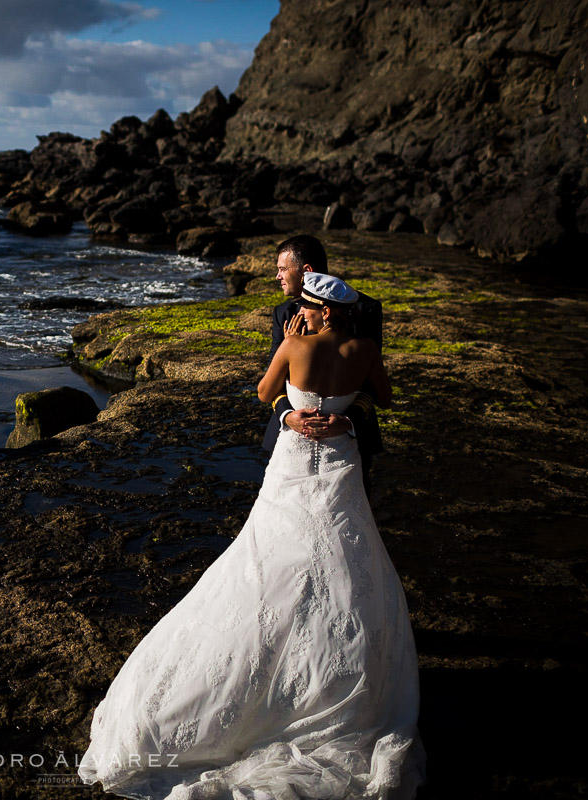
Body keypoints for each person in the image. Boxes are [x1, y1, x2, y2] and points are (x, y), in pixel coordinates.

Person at [78, 273, 423, 800]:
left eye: (305, 306)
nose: (297, 312)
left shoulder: (294, 343)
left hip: (293, 459)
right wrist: (345, 414)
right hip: (339, 458)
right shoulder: (365, 347)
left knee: (270, 554)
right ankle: (336, 666)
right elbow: (386, 398)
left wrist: (291, 409)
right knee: (341, 549)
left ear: (325, 312)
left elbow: (264, 392)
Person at [264, 236, 384, 492]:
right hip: (291, 437)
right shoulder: (282, 312)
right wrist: (287, 415)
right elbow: (272, 382)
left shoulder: (365, 309)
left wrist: (348, 420)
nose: (277, 276)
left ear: (306, 271)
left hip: (349, 437)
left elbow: (373, 380)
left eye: (283, 269)